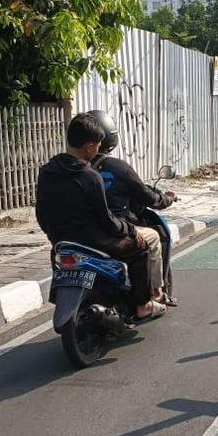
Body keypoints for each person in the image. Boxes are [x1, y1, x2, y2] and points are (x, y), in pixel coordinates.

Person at [35, 113, 165, 323]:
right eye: (96, 145)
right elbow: (105, 219)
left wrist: (54, 235)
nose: (97, 150)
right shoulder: (89, 176)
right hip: (94, 240)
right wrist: (131, 231)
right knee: (141, 247)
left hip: (61, 241)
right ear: (89, 147)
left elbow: (41, 212)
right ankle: (144, 305)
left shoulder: (47, 171)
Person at [86, 110, 178, 307]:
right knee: (152, 238)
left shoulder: (68, 169)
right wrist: (167, 199)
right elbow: (148, 196)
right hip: (114, 230)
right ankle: (153, 295)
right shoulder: (117, 168)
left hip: (77, 234)